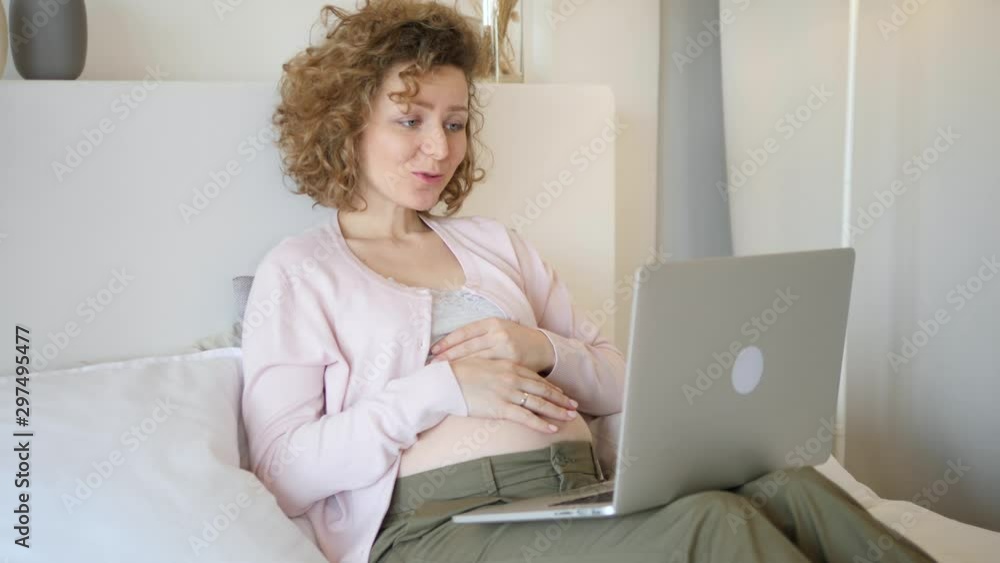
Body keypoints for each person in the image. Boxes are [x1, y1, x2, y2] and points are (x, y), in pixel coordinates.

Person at [240, 1, 938, 562]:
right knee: (713, 523)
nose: (440, 147)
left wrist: (543, 348)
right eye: (410, 120)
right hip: (437, 526)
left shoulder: (496, 245)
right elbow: (283, 469)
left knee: (790, 486)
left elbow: (624, 384)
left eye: (454, 123)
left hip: (576, 494)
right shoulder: (302, 272)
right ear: (347, 122)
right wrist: (442, 388)